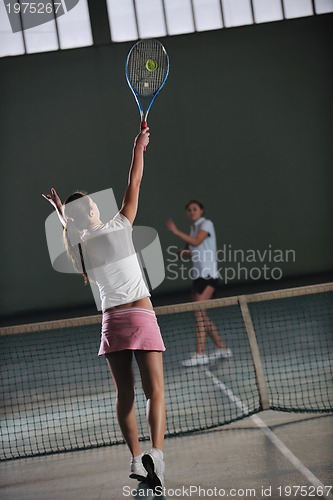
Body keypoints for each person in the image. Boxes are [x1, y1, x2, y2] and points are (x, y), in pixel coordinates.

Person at [42, 127, 165, 492]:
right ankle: (156, 454)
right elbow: (135, 179)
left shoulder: (78, 250)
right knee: (154, 391)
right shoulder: (121, 223)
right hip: (141, 316)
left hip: (113, 323)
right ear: (93, 209)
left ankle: (134, 457)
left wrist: (66, 219)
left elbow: (70, 232)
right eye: (90, 202)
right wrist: (137, 145)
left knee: (123, 395)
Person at [167, 200, 232, 367]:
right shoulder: (193, 229)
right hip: (198, 277)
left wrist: (176, 232)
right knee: (201, 314)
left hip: (209, 276)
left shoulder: (206, 224)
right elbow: (192, 251)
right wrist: (183, 253)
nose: (191, 212)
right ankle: (222, 348)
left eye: (194, 209)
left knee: (198, 313)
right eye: (188, 210)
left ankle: (200, 353)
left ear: (201, 211)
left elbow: (196, 242)